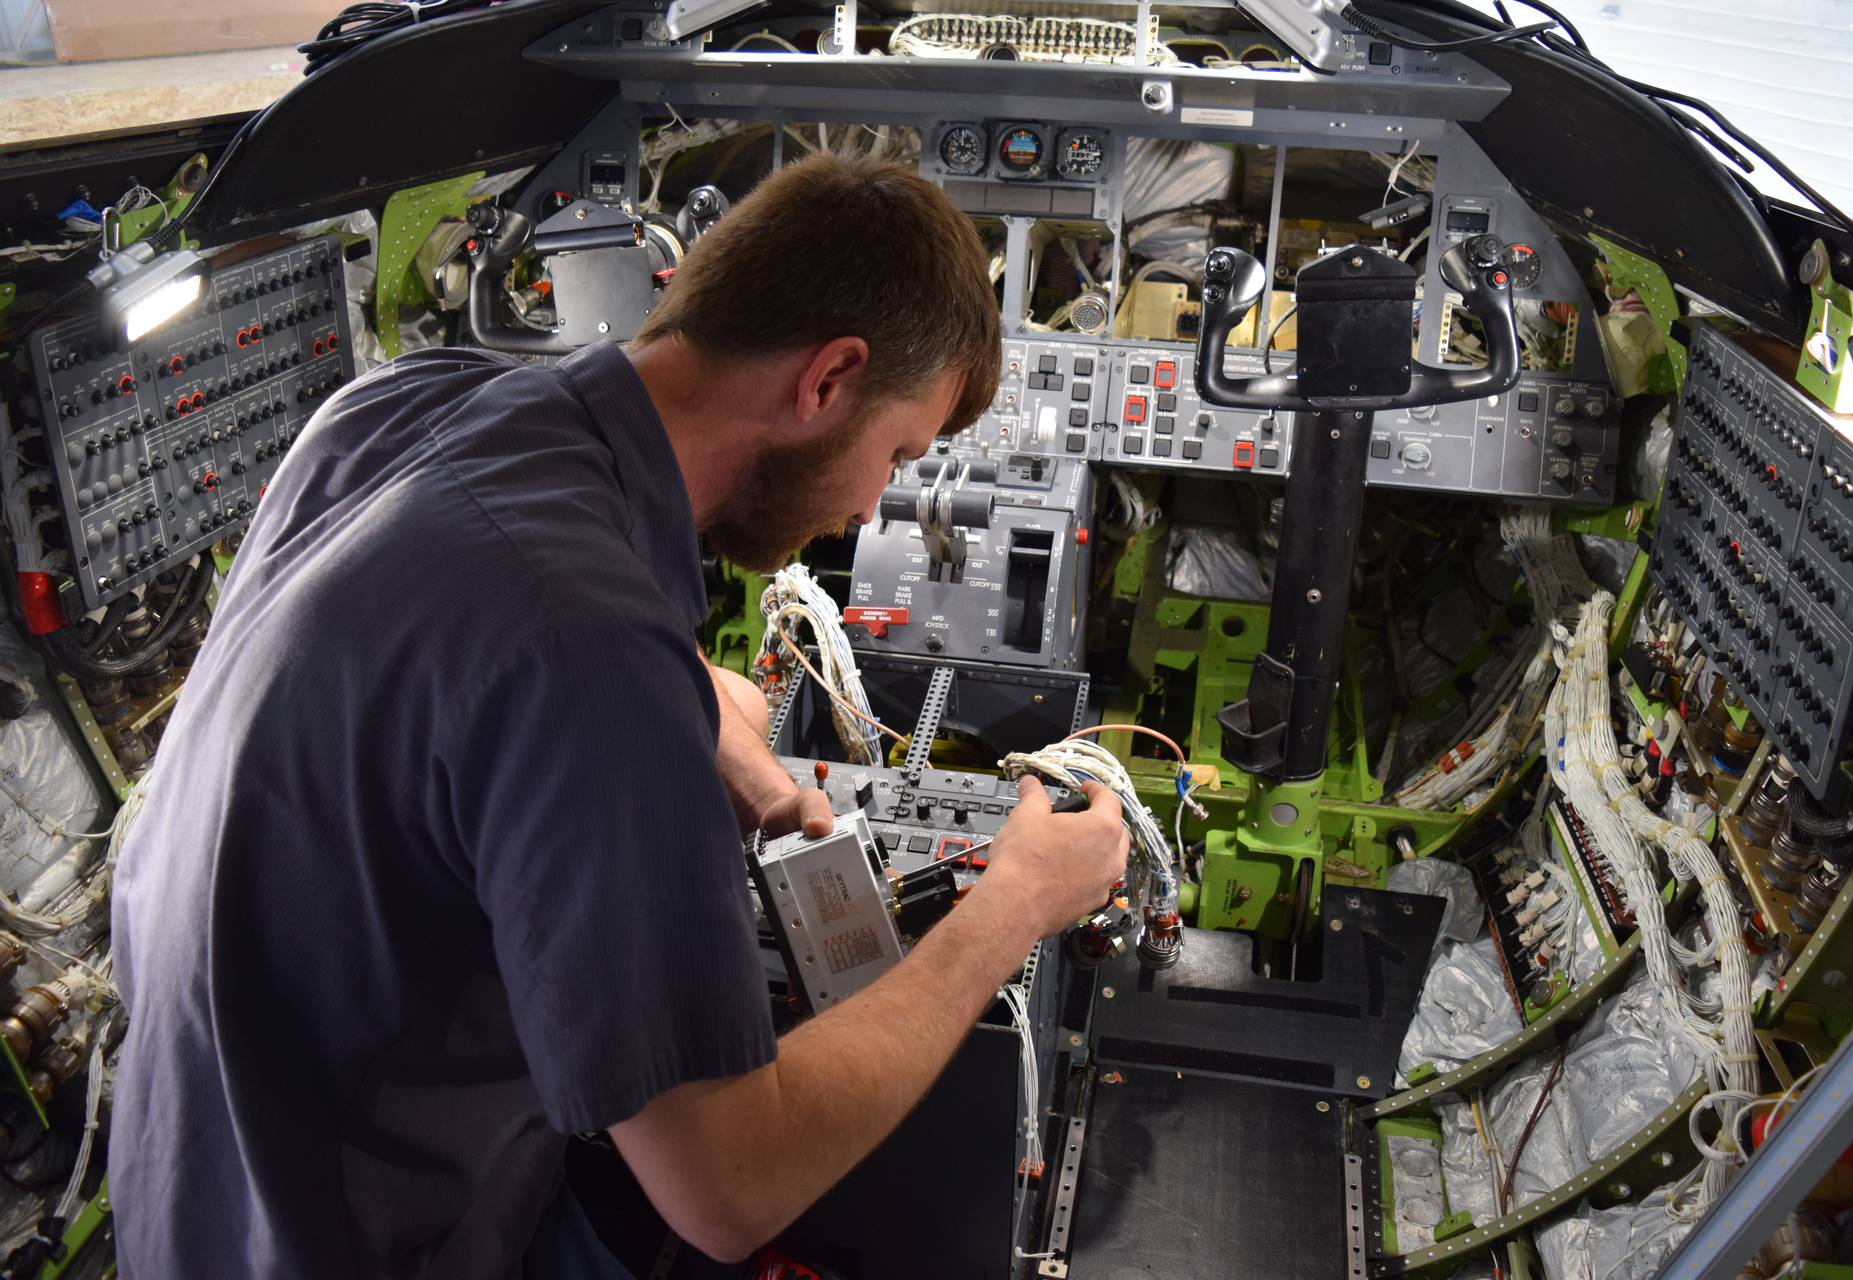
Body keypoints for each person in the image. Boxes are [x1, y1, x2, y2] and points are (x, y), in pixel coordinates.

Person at [108, 152, 1129, 1278]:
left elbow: (494, 630)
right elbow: (729, 1185)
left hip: (187, 1179)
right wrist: (1012, 908)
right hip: (353, 1236)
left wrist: (711, 722)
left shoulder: (406, 404)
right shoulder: (585, 646)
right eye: (895, 456)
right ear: (828, 378)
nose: (867, 509)